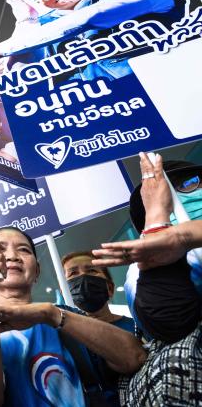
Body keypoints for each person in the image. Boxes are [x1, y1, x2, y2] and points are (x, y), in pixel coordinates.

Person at [0, 226, 146, 406]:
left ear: (36, 271)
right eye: (1, 249)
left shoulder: (64, 317)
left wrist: (51, 315)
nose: (12, 256)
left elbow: (134, 357)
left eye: (24, 250)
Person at [92, 153, 202, 406]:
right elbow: (172, 323)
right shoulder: (140, 274)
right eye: (159, 202)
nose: (175, 199)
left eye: (189, 183)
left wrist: (186, 234)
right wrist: (156, 220)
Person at [0, 0, 187, 82]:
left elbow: (92, 17)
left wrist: (0, 49)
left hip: (177, 88)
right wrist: (27, 23)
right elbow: (19, 74)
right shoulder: (43, 32)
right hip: (113, 115)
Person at [62, 251, 137, 334]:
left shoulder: (136, 328)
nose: (83, 275)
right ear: (65, 293)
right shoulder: (62, 334)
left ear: (110, 288)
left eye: (91, 270)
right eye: (73, 273)